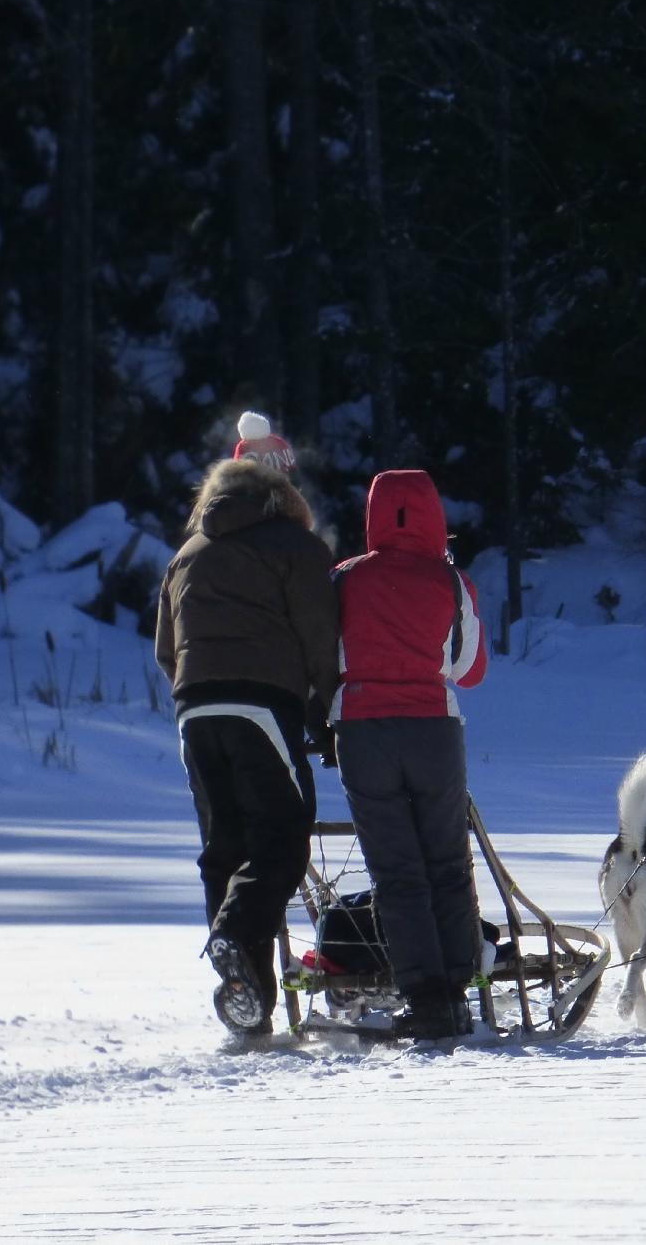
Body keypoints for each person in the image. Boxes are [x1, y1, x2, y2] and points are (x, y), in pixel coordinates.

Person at [155, 417, 339, 1037]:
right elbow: (321, 640)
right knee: (282, 838)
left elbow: (165, 649)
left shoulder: (186, 555)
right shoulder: (295, 546)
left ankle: (249, 1000)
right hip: (262, 704)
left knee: (224, 850)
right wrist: (326, 711)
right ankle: (231, 937)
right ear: (284, 488)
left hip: (194, 710)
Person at [330, 469, 490, 1039]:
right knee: (447, 860)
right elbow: (471, 669)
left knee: (396, 869)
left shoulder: (344, 579)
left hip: (364, 731)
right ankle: (457, 991)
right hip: (433, 731)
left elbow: (326, 656)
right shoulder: (451, 582)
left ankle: (423, 997)